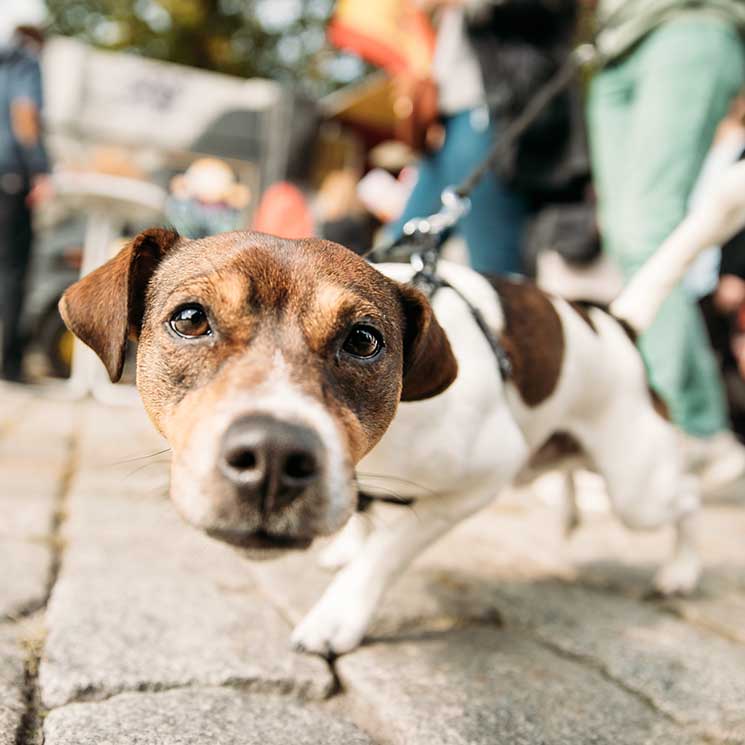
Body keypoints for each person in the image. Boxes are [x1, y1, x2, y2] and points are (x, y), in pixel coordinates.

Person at [587, 0, 745, 492]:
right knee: (624, 233)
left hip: (689, 18)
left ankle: (678, 428)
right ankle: (703, 433)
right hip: (613, 42)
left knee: (646, 228)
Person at [388, 0, 580, 275]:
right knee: (396, 256)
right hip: (447, 124)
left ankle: (513, 315)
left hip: (486, 113)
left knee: (493, 265)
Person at [0, 26, 51, 382]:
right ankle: (10, 362)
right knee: (13, 270)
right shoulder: (25, 62)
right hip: (10, 178)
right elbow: (25, 116)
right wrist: (39, 170)